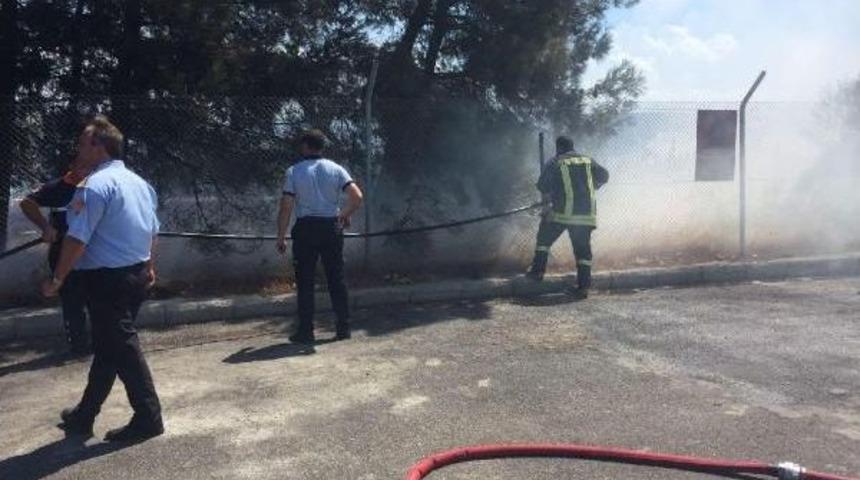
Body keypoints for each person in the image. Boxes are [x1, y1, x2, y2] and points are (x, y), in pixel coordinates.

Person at [42, 115, 164, 442]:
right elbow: (152, 231)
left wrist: (57, 278)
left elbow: (76, 239)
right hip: (135, 275)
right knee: (109, 347)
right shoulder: (139, 183)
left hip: (106, 281)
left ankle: (148, 417)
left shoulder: (93, 186)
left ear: (98, 146)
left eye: (83, 142)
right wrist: (150, 268)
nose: (78, 148)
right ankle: (84, 415)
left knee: (121, 346)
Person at [276, 129, 363, 344]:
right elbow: (357, 196)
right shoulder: (336, 169)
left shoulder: (294, 171)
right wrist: (343, 215)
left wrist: (281, 235)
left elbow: (286, 206)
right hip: (331, 227)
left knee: (305, 281)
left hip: (306, 229)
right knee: (336, 278)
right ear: (321, 147)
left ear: (305, 146)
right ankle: (343, 328)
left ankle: (306, 331)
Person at [20, 158, 92, 355]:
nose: (86, 170)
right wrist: (45, 227)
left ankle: (101, 343)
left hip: (91, 252)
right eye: (82, 165)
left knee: (97, 297)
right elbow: (27, 203)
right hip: (62, 252)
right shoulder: (56, 188)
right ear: (72, 166)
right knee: (72, 299)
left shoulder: (95, 187)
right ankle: (79, 346)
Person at [526, 135, 609, 300]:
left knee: (544, 239)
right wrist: (594, 186)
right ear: (573, 147)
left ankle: (537, 272)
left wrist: (552, 196)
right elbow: (604, 176)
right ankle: (583, 287)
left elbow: (542, 185)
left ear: (558, 148)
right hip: (586, 216)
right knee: (583, 252)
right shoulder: (587, 160)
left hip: (562, 214)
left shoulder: (556, 162)